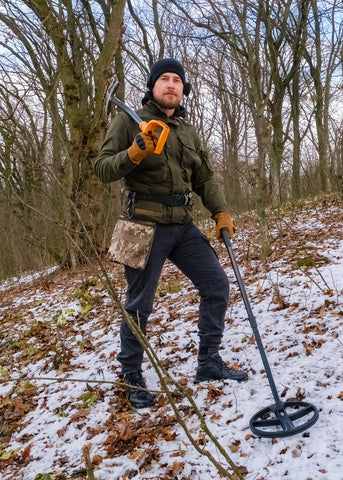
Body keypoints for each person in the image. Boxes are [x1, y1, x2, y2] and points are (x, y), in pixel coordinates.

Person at [94, 59, 248, 409]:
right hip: (142, 225)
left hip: (182, 224)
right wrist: (134, 151)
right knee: (139, 304)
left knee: (217, 286)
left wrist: (220, 211)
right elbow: (102, 169)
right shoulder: (128, 121)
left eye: (177, 80)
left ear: (183, 90)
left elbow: (205, 178)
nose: (171, 84)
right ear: (152, 87)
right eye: (163, 78)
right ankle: (130, 374)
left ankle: (208, 361)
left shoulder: (187, 132)